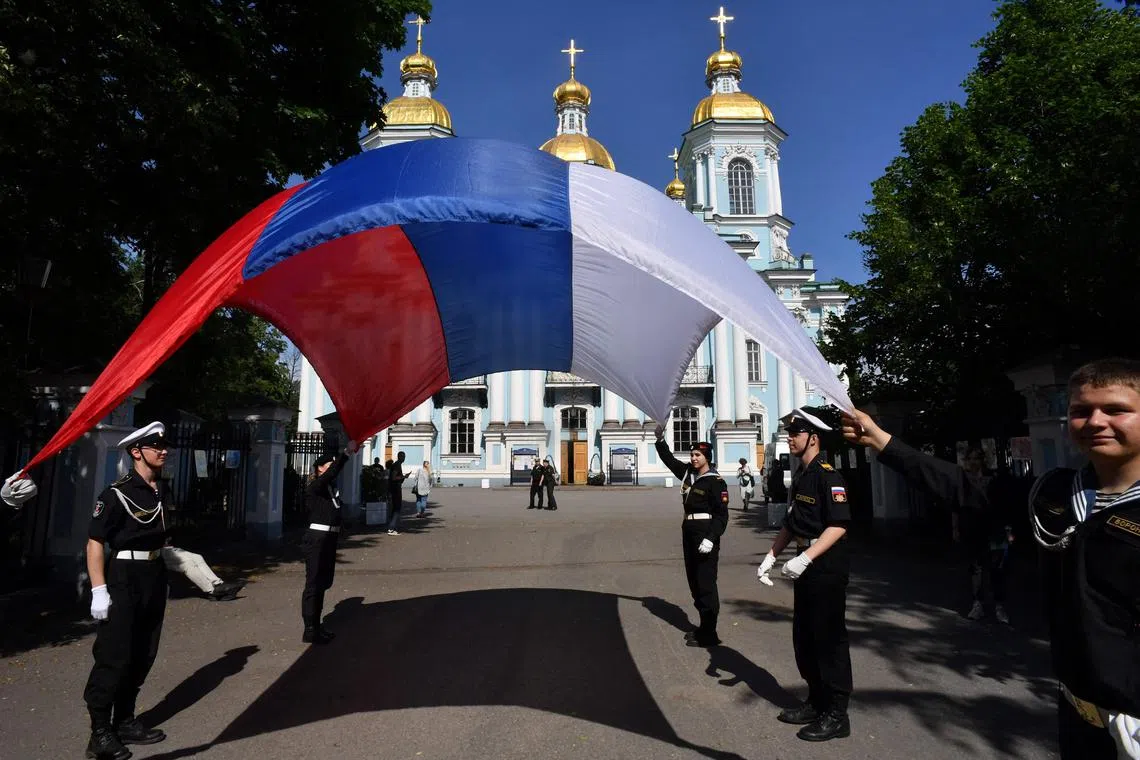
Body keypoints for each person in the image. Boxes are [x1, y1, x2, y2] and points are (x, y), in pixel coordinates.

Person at [841, 358, 1140, 760]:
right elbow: (963, 489)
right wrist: (881, 441)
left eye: (1116, 410)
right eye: (1081, 411)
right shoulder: (1054, 495)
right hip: (1079, 713)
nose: (1095, 421)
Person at [756, 406, 853, 742]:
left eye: (795, 433)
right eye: (789, 433)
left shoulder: (828, 475)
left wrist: (807, 557)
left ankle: (837, 714)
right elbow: (792, 522)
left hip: (825, 566)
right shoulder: (801, 475)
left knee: (829, 640)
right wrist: (771, 556)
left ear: (814, 438)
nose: (790, 437)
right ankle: (817, 700)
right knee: (805, 638)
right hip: (806, 562)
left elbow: (839, 525)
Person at [83, 422, 175, 759]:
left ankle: (124, 720)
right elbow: (94, 543)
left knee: (143, 652)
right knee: (114, 654)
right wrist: (99, 589)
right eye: (155, 446)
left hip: (153, 573)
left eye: (165, 445)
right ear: (136, 451)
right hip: (123, 577)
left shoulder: (160, 490)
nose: (163, 451)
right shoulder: (116, 492)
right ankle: (99, 732)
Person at [653, 425, 729, 648]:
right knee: (694, 581)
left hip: (705, 535)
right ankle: (704, 626)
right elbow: (669, 460)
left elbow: (721, 515)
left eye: (698, 455)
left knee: (706, 582)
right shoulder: (689, 475)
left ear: (707, 457)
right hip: (689, 531)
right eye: (692, 455)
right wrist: (660, 440)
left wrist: (711, 537)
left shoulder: (716, 482)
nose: (694, 458)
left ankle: (710, 633)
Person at [301, 441, 358, 644]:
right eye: (329, 465)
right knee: (314, 584)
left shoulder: (330, 490)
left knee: (324, 583)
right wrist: (345, 454)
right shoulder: (315, 487)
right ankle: (310, 629)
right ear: (320, 468)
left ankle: (316, 625)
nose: (332, 468)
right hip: (317, 539)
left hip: (329, 539)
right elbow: (331, 474)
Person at [954, 447, 1015, 623]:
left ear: (982, 461)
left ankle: (999, 606)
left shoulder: (992, 480)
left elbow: (1004, 506)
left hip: (995, 529)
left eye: (976, 458)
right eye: (970, 459)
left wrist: (1008, 530)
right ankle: (977, 604)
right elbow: (957, 505)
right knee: (976, 569)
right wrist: (955, 528)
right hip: (973, 529)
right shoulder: (964, 480)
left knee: (997, 568)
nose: (973, 462)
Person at [161, 546, 244, 601]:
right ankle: (212, 591)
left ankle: (217, 584)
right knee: (186, 563)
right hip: (154, 552)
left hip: (164, 548)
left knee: (197, 557)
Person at [386, 452, 407, 535]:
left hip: (395, 489)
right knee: (397, 508)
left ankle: (393, 527)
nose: (404, 458)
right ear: (400, 457)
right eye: (403, 456)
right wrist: (403, 477)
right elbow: (394, 477)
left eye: (404, 456)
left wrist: (403, 477)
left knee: (395, 508)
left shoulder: (397, 465)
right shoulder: (397, 465)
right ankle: (391, 528)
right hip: (395, 490)